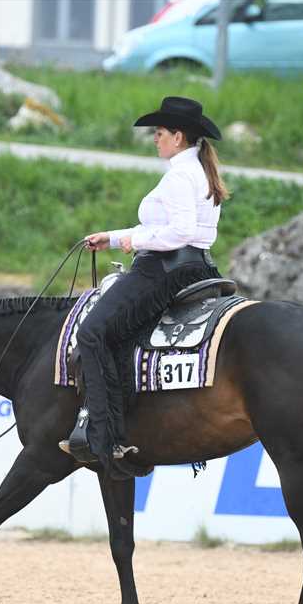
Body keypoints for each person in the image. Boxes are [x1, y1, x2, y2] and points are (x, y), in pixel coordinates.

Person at [63, 96, 229, 479]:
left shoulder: (178, 177)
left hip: (163, 270)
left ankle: (104, 434)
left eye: (159, 133)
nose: (155, 139)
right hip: (197, 266)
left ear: (178, 136)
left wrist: (131, 241)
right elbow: (175, 230)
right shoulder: (199, 171)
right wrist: (114, 237)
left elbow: (180, 232)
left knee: (91, 333)